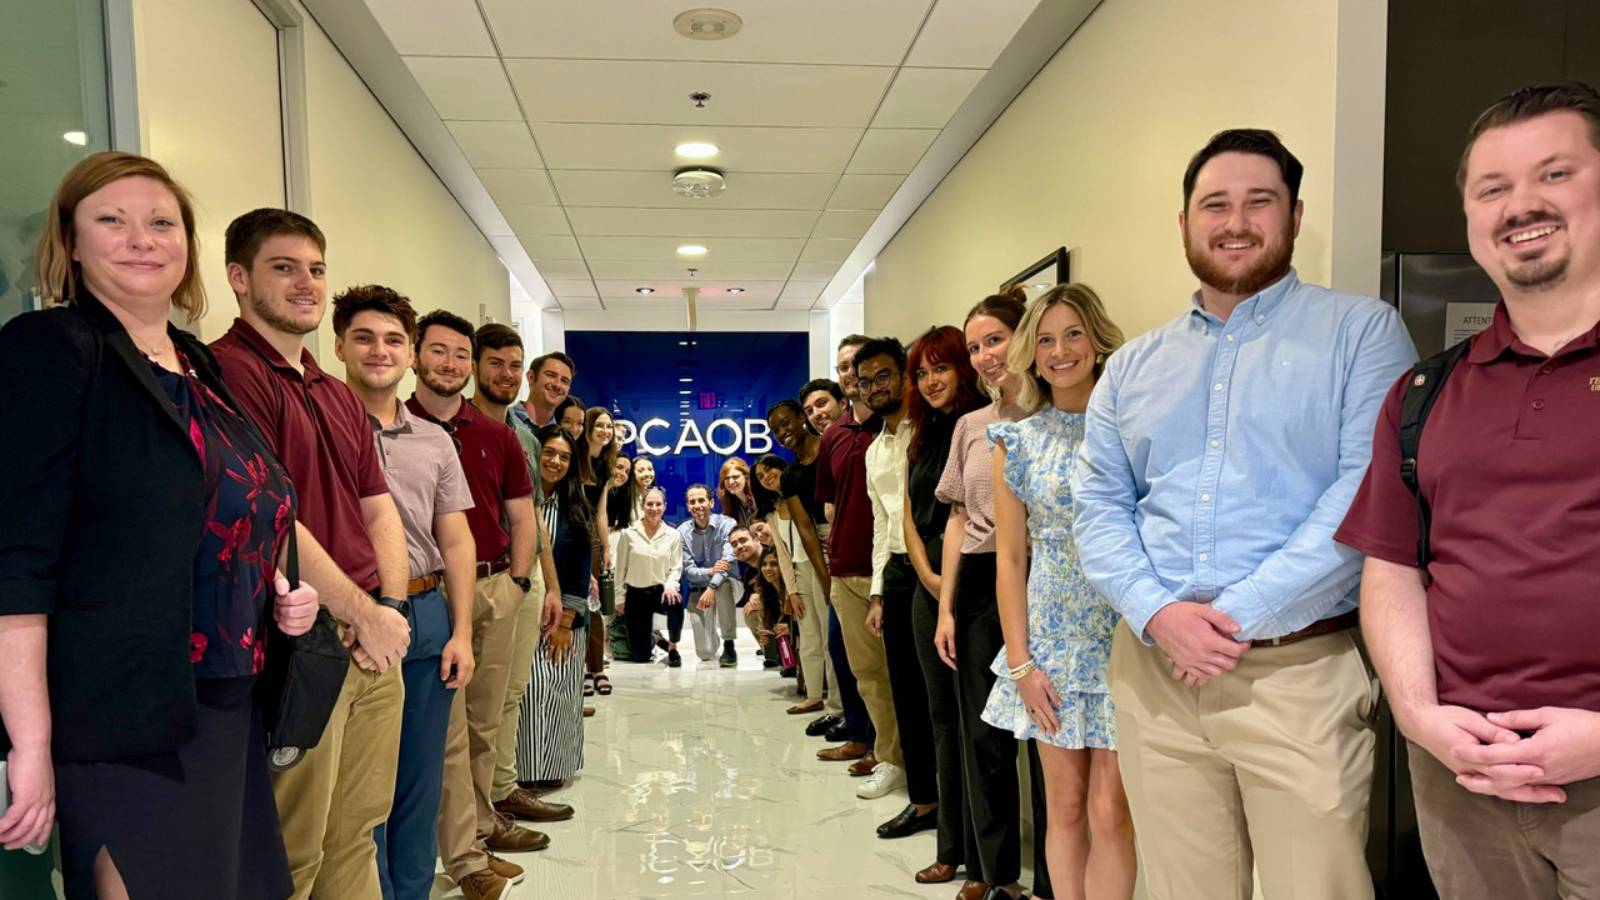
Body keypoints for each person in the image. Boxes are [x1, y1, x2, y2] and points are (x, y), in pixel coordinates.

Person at [1071, 129, 1417, 900]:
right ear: (1185, 222)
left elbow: (1368, 493)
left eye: (1258, 202)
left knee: (1314, 889)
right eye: (1214, 204)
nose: (1235, 221)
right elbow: (1097, 505)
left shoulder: (1360, 332)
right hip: (1155, 671)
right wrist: (1160, 614)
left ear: (1294, 214)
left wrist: (1228, 620)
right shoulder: (1132, 365)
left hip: (1297, 671)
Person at [0, 151, 318, 900]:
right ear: (70, 243)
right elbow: (18, 562)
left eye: (161, 222)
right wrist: (32, 744)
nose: (141, 237)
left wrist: (272, 584)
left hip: (223, 706)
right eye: (111, 219)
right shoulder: (51, 348)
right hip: (119, 720)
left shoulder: (196, 365)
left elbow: (221, 510)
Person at [1335, 83, 1600, 900]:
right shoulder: (1423, 392)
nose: (1521, 205)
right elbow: (1392, 570)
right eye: (1492, 189)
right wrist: (1418, 718)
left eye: (1554, 174)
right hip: (1460, 779)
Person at [212, 207, 412, 900]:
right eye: (284, 267)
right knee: (291, 850)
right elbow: (269, 517)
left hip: (370, 638)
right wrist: (359, 612)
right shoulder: (225, 374)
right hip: (299, 645)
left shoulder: (333, 392)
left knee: (357, 831)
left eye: (317, 269)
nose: (306, 283)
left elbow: (375, 504)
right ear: (239, 278)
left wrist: (387, 607)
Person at [330, 286, 483, 900]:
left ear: (410, 353)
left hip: (425, 613)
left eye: (394, 339)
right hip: (345, 614)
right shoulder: (321, 427)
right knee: (357, 793)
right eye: (364, 337)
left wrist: (463, 631)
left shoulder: (433, 439)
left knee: (416, 787)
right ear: (338, 344)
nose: (379, 350)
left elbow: (457, 540)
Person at [986, 286, 1134, 899]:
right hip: (1051, 644)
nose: (1060, 350)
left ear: (1097, 341)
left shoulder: (1131, 432)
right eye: (1045, 339)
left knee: (1112, 813)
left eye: (1072, 334)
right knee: (1065, 806)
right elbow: (1010, 557)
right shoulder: (1016, 442)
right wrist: (1021, 663)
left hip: (1126, 641)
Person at [403, 310, 554, 899]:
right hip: (428, 592)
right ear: (416, 355)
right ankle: (461, 854)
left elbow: (522, 516)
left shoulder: (497, 435)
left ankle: (480, 829)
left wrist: (518, 586)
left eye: (460, 356)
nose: (451, 365)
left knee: (485, 722)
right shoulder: (393, 427)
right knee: (444, 735)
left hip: (494, 588)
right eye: (438, 352)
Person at [933, 288, 1054, 900]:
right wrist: (947, 607)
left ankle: (1056, 882)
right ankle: (995, 871)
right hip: (981, 581)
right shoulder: (969, 427)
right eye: (975, 346)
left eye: (995, 340)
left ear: (1025, 336)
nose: (984, 356)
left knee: (1050, 735)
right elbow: (957, 519)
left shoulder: (1058, 414)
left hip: (1049, 580)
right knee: (986, 736)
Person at [465, 323, 568, 850]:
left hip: (516, 579)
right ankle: (474, 819)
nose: (504, 375)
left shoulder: (520, 437)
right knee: (473, 711)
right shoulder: (452, 428)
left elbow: (531, 516)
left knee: (508, 698)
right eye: (495, 364)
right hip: (470, 585)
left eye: (512, 364)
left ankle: (501, 792)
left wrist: (546, 585)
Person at [899, 325, 989, 887]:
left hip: (972, 578)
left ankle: (983, 860)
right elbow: (910, 512)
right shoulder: (925, 433)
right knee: (940, 722)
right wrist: (930, 579)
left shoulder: (984, 424)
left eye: (941, 368)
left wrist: (948, 586)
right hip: (927, 581)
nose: (931, 381)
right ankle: (950, 847)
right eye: (922, 373)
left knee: (975, 723)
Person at [859, 337, 940, 824]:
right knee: (906, 691)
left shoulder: (926, 434)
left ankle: (949, 804)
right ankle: (924, 798)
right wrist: (876, 591)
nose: (874, 388)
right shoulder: (875, 449)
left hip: (932, 566)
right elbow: (881, 523)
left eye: (883, 376)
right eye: (866, 381)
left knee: (937, 696)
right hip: (896, 571)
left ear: (904, 377)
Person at [819, 337, 904, 800]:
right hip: (847, 570)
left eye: (862, 368)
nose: (854, 376)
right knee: (866, 673)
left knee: (900, 675)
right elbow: (833, 505)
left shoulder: (899, 430)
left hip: (891, 571)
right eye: (847, 369)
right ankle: (888, 756)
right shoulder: (837, 434)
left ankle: (904, 759)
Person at [800, 378, 875, 771]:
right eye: (809, 409)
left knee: (873, 667)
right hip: (842, 561)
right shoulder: (834, 438)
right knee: (843, 654)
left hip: (874, 562)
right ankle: (859, 735)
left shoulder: (877, 430)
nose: (816, 413)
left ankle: (878, 746)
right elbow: (829, 508)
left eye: (822, 403)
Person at [515, 426, 593, 791]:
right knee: (525, 696)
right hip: (520, 613)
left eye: (564, 457)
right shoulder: (516, 500)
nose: (555, 461)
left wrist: (565, 622)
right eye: (549, 452)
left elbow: (579, 572)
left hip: (564, 620)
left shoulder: (575, 509)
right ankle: (519, 774)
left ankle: (550, 768)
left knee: (554, 691)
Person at [762, 404, 834, 718]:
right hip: (808, 563)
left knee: (835, 637)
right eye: (775, 430)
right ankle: (821, 699)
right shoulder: (791, 478)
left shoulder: (830, 450)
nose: (782, 432)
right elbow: (800, 534)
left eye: (785, 424)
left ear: (802, 418)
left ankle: (840, 705)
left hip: (834, 550)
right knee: (811, 634)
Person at [614, 486, 686, 665]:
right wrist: (619, 598)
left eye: (658, 504)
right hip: (636, 594)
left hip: (661, 592)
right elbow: (620, 569)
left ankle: (672, 646)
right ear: (643, 506)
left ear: (665, 506)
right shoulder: (628, 533)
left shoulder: (673, 535)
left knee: (676, 601)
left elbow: (675, 568)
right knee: (641, 656)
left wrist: (671, 586)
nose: (654, 508)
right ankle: (655, 639)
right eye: (650, 504)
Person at [578, 407, 619, 697]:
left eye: (610, 426)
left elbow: (601, 512)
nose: (605, 431)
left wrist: (605, 548)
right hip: (569, 537)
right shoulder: (573, 456)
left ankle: (597, 669)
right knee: (573, 604)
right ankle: (576, 670)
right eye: (600, 425)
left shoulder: (605, 466)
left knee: (593, 607)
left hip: (591, 539)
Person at [677, 484, 741, 666]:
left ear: (711, 502)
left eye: (701, 500)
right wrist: (709, 571)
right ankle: (714, 638)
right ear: (688, 506)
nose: (697, 505)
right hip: (699, 589)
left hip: (729, 585)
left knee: (723, 587)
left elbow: (728, 561)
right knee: (705, 653)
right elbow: (688, 571)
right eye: (692, 502)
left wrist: (713, 585)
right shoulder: (682, 532)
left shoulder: (727, 524)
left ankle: (729, 644)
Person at [517, 350, 574, 430]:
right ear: (531, 377)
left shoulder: (563, 436)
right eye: (551, 375)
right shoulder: (505, 421)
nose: (557, 385)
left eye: (564, 381)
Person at [718, 457, 759, 525]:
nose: (731, 482)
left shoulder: (758, 498)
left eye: (735, 477)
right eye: (727, 478)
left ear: (746, 477)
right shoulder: (731, 505)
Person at [631, 456, 656, 521]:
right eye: (641, 471)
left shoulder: (655, 495)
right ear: (632, 474)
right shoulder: (626, 497)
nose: (647, 474)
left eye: (650, 469)